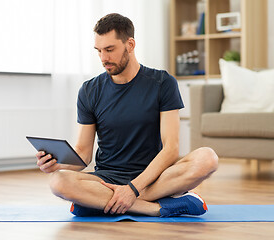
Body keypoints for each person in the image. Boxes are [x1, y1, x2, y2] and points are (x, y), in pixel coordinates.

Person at [36, 13, 218, 217]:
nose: (104, 58)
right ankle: (156, 208)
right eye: (99, 51)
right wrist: (58, 164)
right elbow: (83, 153)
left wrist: (132, 189)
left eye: (110, 49)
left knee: (207, 158)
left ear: (130, 44)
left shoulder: (163, 83)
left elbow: (171, 149)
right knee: (58, 181)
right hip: (106, 179)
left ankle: (98, 203)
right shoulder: (89, 90)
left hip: (154, 177)